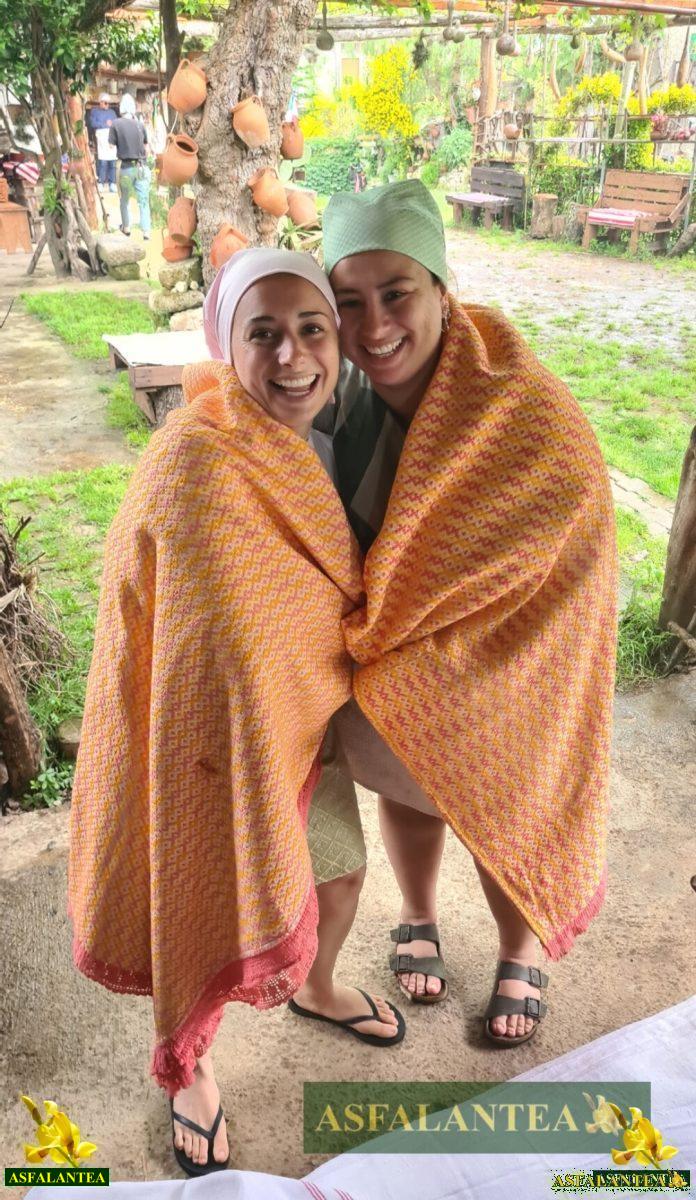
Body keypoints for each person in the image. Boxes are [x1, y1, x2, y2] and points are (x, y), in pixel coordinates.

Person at [68, 248, 404, 1181]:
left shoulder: (334, 438)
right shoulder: (192, 458)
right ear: (224, 342)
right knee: (199, 906)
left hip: (297, 729)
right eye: (264, 334)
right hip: (201, 751)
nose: (292, 356)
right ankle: (190, 1063)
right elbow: (172, 628)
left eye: (311, 330)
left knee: (338, 879)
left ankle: (319, 986)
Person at [312, 179, 618, 1045]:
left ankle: (520, 949)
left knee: (504, 786)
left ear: (443, 289)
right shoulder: (340, 395)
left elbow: (567, 532)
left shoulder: (520, 404)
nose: (375, 326)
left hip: (523, 645)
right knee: (410, 763)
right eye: (349, 302)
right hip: (405, 644)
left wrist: (409, 625)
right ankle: (418, 912)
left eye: (397, 293)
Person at [109, 93, 151, 239]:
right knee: (143, 201)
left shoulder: (116, 124)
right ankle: (146, 232)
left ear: (121, 107)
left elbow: (110, 146)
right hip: (142, 166)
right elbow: (146, 146)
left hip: (126, 167)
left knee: (124, 200)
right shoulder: (140, 125)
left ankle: (126, 228)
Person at [89, 93, 118, 192]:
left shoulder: (112, 112)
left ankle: (112, 183)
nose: (107, 105)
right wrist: (105, 124)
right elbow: (93, 123)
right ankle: (101, 182)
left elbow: (116, 124)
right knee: (102, 161)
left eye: (108, 103)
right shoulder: (95, 111)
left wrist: (111, 125)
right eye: (105, 103)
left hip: (111, 137)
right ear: (100, 102)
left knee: (112, 161)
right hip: (101, 138)